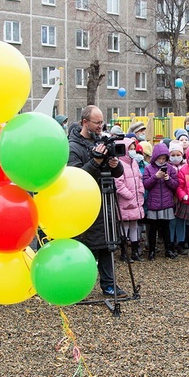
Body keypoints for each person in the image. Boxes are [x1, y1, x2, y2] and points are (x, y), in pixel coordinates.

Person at [67, 106, 126, 296]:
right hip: (83, 203)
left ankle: (109, 284)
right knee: (84, 245)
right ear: (85, 122)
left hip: (105, 199)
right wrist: (96, 161)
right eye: (97, 122)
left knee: (107, 241)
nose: (101, 126)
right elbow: (76, 176)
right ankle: (77, 286)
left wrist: (114, 164)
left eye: (102, 122)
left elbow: (117, 173)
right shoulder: (72, 146)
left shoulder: (102, 141)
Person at [142, 142, 178, 260]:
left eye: (164, 158)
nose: (162, 161)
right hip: (154, 203)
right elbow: (146, 185)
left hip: (167, 203)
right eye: (160, 158)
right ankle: (152, 251)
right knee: (153, 228)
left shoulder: (171, 169)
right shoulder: (148, 168)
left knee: (166, 227)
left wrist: (168, 179)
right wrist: (155, 177)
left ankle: (168, 250)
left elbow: (175, 185)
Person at [114, 138, 145, 263]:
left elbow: (139, 178)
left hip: (136, 200)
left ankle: (134, 252)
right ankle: (124, 252)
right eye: (130, 149)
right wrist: (129, 195)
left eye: (134, 149)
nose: (132, 151)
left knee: (134, 225)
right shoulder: (120, 164)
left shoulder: (134, 163)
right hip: (126, 201)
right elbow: (118, 184)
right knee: (124, 226)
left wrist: (140, 191)